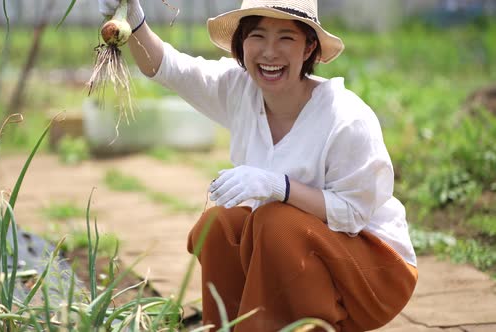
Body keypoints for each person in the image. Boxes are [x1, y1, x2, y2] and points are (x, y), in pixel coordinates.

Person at [97, 0, 418, 331]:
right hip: (299, 258)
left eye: (286, 38)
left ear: (310, 47)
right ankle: (225, 327)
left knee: (275, 221)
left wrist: (281, 186)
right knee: (220, 224)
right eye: (258, 36)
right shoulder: (240, 89)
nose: (269, 52)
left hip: (375, 272)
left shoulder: (346, 119)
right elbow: (167, 67)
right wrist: (133, 17)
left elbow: (353, 212)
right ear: (241, 43)